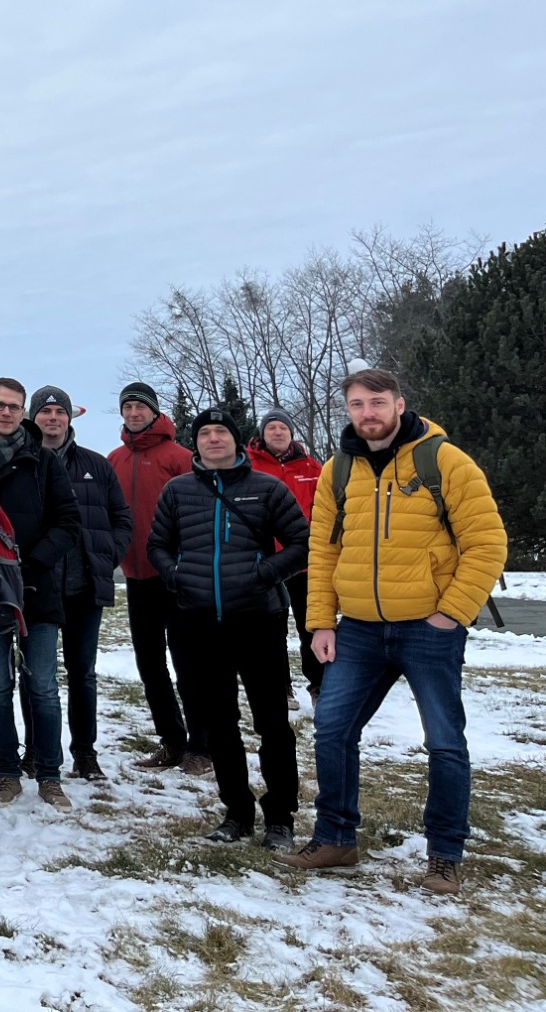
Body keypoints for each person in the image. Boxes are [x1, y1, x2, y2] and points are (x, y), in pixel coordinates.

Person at [276, 368, 506, 894]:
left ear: (399, 404)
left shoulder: (443, 460)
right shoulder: (338, 470)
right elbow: (324, 550)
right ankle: (336, 838)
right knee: (332, 730)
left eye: (377, 402)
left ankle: (444, 854)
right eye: (357, 404)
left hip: (429, 629)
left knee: (444, 742)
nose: (367, 413)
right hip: (357, 630)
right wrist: (318, 623)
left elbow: (487, 542)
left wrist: (453, 611)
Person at [148, 408, 310, 850]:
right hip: (200, 621)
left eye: (222, 432)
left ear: (237, 441)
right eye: (205, 433)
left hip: (259, 617)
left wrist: (265, 573)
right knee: (219, 722)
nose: (213, 439)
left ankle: (280, 817)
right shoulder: (178, 492)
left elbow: (302, 543)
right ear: (195, 443)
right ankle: (236, 811)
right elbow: (157, 544)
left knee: (272, 722)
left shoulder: (267, 488)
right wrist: (177, 575)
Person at [0, 380, 82, 809]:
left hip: (37, 589)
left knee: (44, 686)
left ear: (22, 412)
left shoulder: (44, 462)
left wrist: (32, 563)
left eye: (14, 406)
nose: (7, 412)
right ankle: (8, 772)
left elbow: (68, 522)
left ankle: (49, 774)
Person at [28, 388, 133, 781]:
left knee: (82, 673)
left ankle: (84, 752)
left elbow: (121, 516)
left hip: (84, 585)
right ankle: (36, 750)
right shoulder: (24, 463)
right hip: (38, 587)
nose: (52, 418)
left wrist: (107, 555)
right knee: (36, 676)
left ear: (70, 419)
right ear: (34, 417)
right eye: (45, 412)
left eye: (59, 412)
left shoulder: (96, 465)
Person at [109, 382, 208, 774]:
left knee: (189, 664)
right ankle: (172, 741)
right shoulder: (114, 458)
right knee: (150, 665)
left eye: (140, 407)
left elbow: (201, 512)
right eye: (127, 407)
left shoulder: (180, 456)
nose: (133, 413)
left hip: (177, 577)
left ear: (154, 411)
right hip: (137, 577)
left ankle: (202, 746)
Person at [248, 409, 326, 701]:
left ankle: (318, 685)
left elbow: (326, 511)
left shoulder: (311, 468)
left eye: (283, 427)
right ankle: (281, 688)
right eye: (272, 428)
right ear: (263, 434)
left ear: (291, 433)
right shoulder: (248, 465)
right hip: (267, 564)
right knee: (271, 631)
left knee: (313, 626)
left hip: (305, 563)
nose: (277, 432)